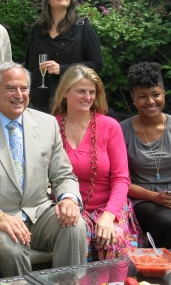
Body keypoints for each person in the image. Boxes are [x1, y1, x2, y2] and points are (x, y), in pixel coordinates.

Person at [0, 62, 86, 278]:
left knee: (75, 225)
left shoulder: (47, 124)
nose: (19, 94)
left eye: (24, 88)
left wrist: (69, 199)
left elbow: (64, 175)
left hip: (39, 212)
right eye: (11, 88)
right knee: (11, 248)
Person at [52, 65, 143, 262]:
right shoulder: (50, 125)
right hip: (70, 207)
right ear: (66, 92)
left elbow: (121, 179)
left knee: (113, 240)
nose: (87, 97)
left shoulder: (109, 126)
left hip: (109, 206)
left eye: (92, 92)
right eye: (81, 91)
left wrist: (109, 216)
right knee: (77, 239)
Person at [120, 62, 171, 249]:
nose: (150, 101)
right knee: (168, 222)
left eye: (155, 94)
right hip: (144, 198)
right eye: (142, 96)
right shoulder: (122, 131)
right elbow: (121, 180)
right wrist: (155, 197)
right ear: (133, 98)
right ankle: (163, 274)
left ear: (164, 93)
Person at [25, 0, 103, 113]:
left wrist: (62, 69)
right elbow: (29, 66)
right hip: (38, 103)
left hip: (69, 103)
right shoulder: (37, 29)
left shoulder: (82, 27)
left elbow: (96, 64)